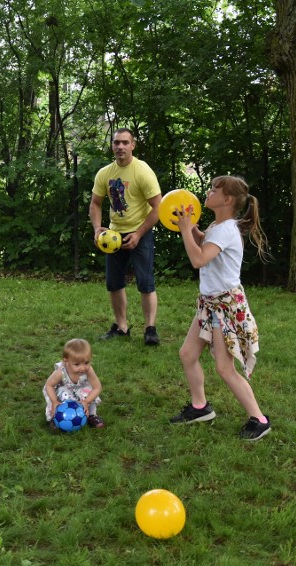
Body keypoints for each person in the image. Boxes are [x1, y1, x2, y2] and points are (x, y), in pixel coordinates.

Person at [169, 175, 271, 441]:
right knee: (188, 354)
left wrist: (184, 230)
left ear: (226, 199)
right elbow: (205, 242)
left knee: (225, 369)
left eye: (214, 189)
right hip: (211, 303)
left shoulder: (226, 229)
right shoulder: (219, 225)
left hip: (224, 307)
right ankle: (200, 407)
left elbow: (199, 259)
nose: (209, 191)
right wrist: (192, 228)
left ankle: (259, 419)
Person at [89, 128, 162, 346]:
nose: (120, 147)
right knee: (114, 283)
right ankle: (121, 328)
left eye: (124, 143)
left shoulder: (142, 171)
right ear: (112, 146)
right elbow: (95, 203)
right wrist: (96, 229)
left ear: (133, 145)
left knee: (145, 282)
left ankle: (150, 329)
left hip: (141, 232)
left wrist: (139, 233)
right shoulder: (105, 173)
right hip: (114, 235)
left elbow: (158, 207)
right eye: (116, 143)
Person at [43, 339, 105, 431]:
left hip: (80, 389)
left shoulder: (88, 370)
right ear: (66, 361)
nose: (83, 368)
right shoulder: (61, 371)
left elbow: (97, 387)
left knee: (89, 393)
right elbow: (49, 385)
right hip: (64, 389)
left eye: (86, 362)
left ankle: (92, 415)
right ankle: (54, 418)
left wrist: (87, 401)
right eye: (77, 364)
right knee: (59, 398)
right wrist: (54, 401)